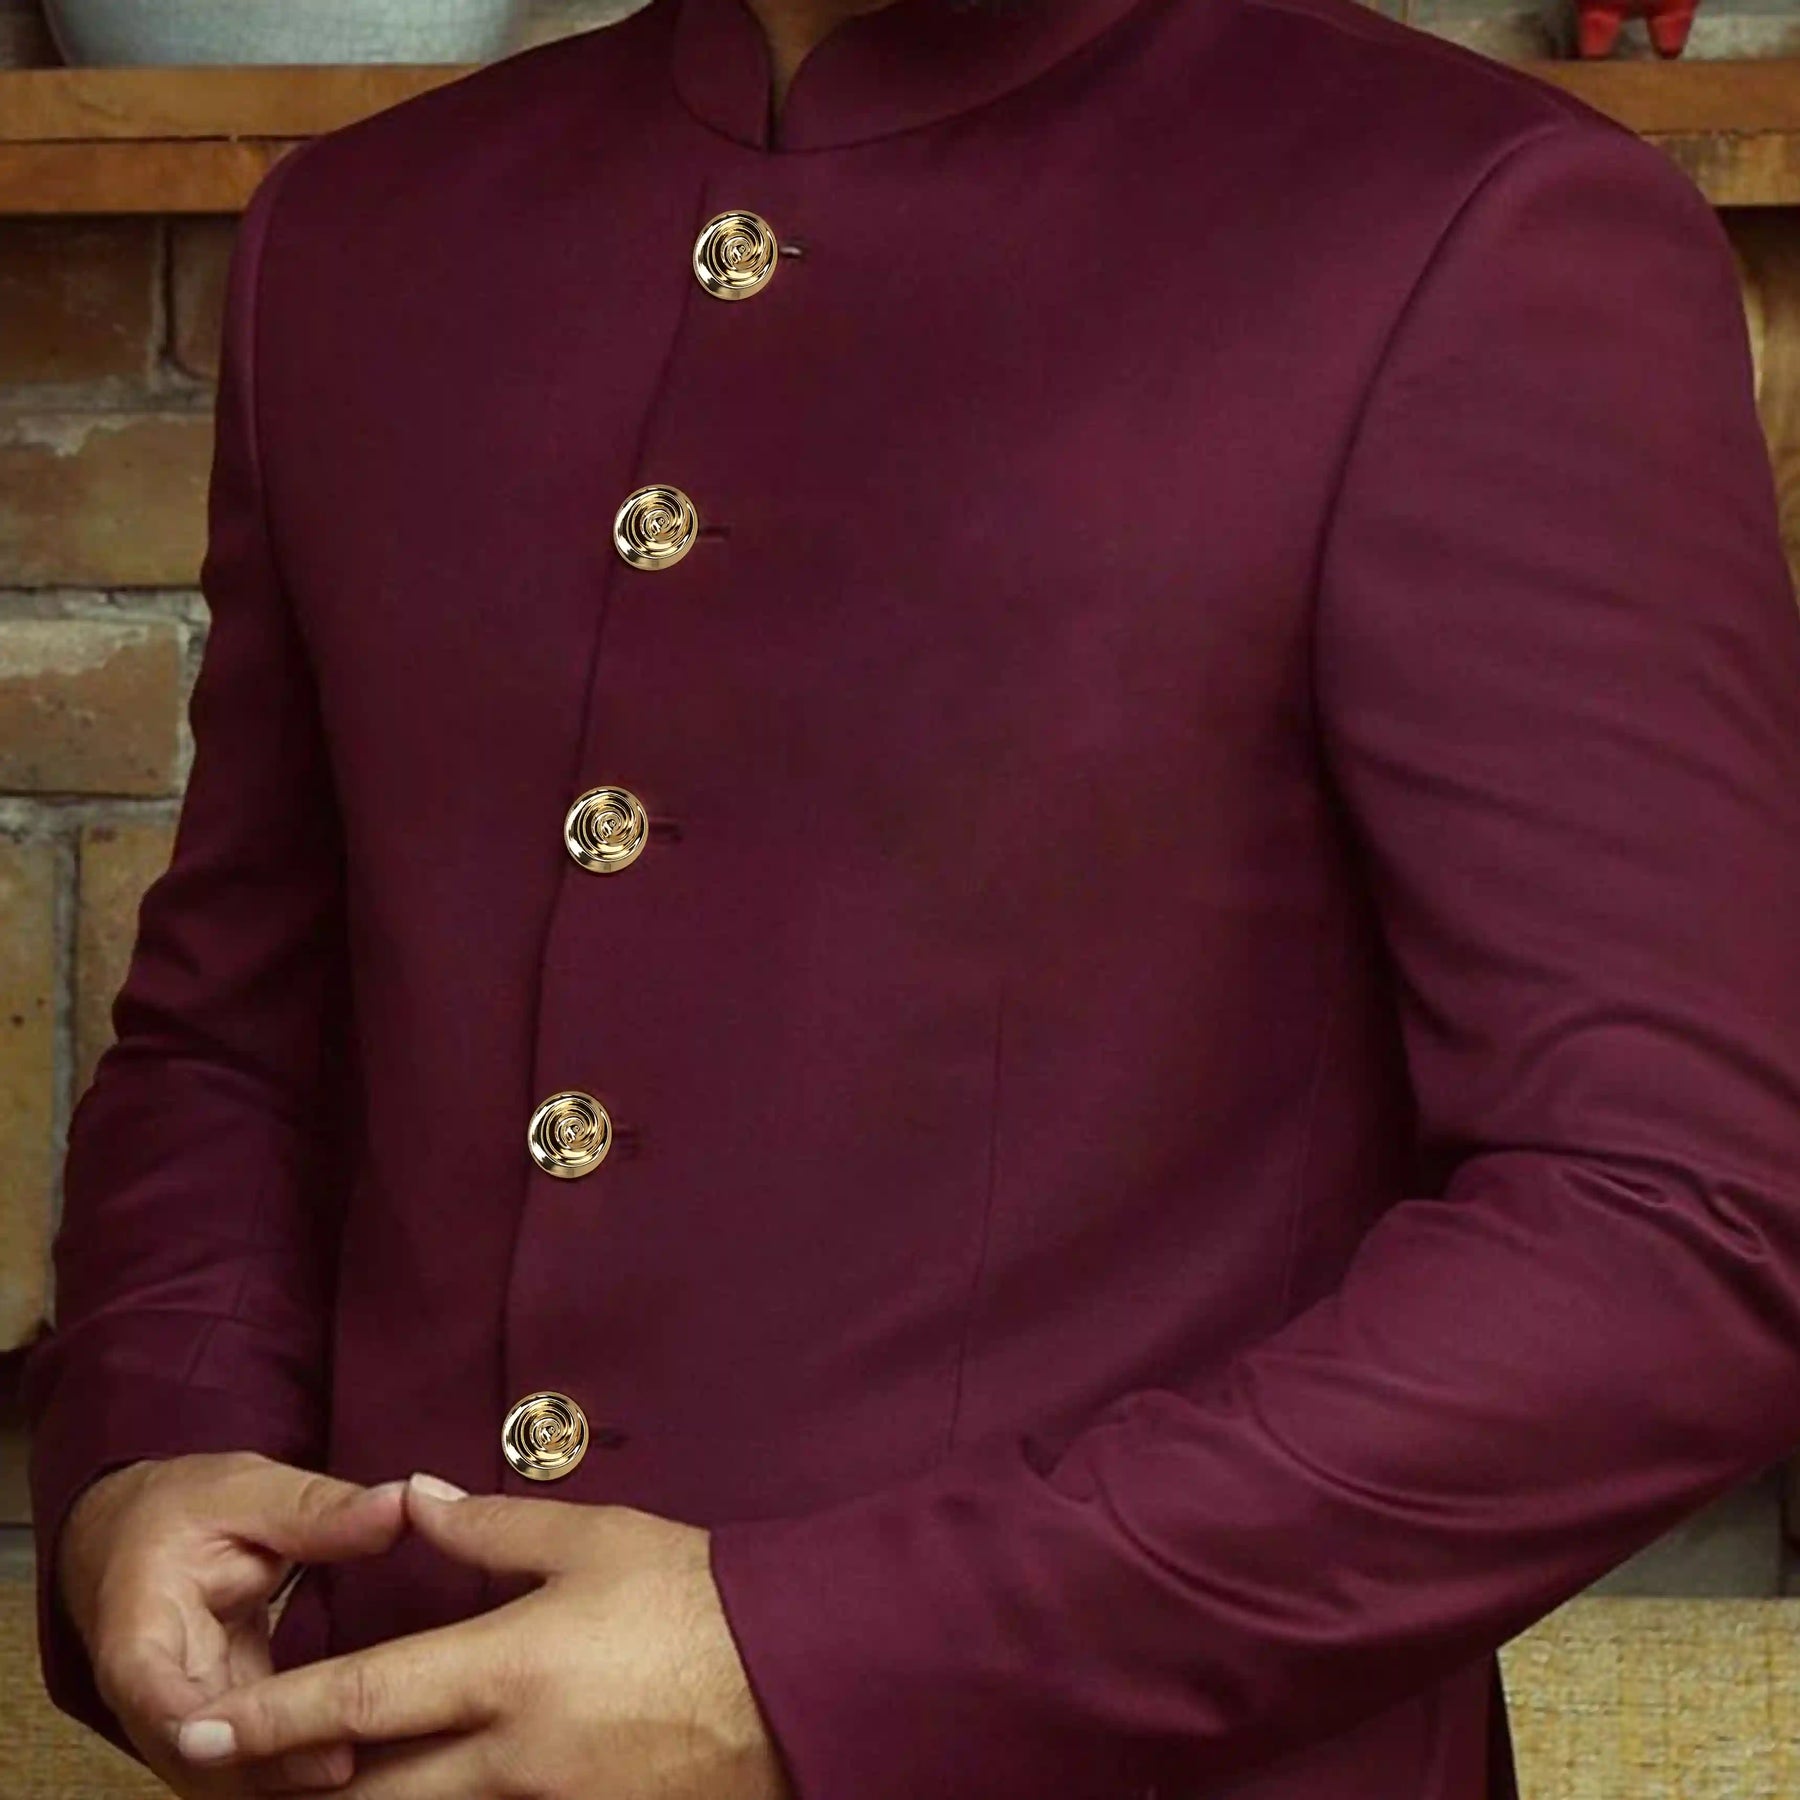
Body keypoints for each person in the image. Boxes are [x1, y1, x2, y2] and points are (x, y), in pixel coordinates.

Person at [24, 0, 1800, 1793]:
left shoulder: (1472, 225)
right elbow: (240, 1048)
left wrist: (810, 1663)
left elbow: (1684, 1226)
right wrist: (148, 1463)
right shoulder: (362, 238)